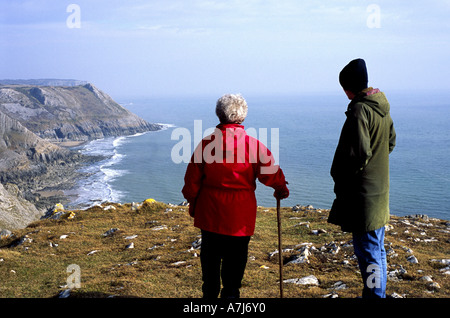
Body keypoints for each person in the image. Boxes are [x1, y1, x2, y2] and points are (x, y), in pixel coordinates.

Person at [182, 93, 289, 298]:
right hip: (240, 216)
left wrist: (193, 204)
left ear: (219, 114)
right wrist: (281, 187)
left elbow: (191, 182)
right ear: (242, 118)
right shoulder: (254, 146)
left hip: (210, 213)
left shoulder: (206, 145)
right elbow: (270, 173)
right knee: (234, 269)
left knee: (210, 266)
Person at [328, 58, 396, 298]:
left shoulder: (359, 110)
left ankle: (374, 297)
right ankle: (377, 293)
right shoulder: (381, 107)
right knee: (376, 250)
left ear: (350, 87)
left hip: (363, 196)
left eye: (344, 88)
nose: (345, 94)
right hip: (379, 192)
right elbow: (390, 142)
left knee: (368, 253)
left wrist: (341, 176)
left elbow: (357, 154)